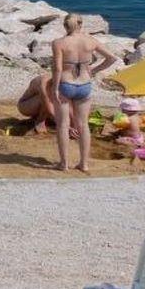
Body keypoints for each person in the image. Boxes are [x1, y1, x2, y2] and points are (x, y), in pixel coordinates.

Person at [32, 16, 101, 173]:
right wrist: (94, 70)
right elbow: (112, 58)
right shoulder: (91, 41)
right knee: (83, 125)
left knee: (63, 125)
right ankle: (84, 164)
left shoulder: (58, 43)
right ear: (80, 24)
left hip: (65, 84)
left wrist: (55, 88)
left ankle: (64, 164)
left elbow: (57, 68)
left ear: (65, 26)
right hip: (84, 84)